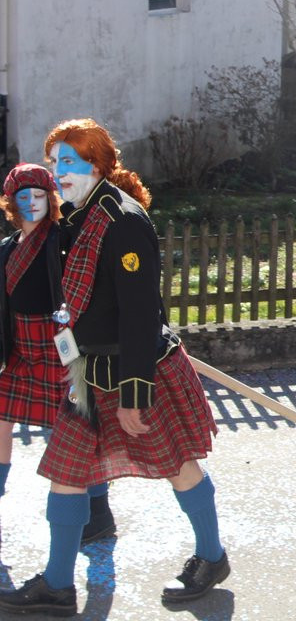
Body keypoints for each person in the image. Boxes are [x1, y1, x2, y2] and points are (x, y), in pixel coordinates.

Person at [0, 119, 227, 616]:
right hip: (86, 373)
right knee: (66, 472)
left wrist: (134, 394)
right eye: (56, 161)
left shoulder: (121, 219)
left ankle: (212, 556)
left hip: (136, 370)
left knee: (178, 465)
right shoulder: (73, 218)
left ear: (98, 164)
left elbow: (141, 313)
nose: (60, 172)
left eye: (71, 162)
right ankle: (59, 584)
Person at [0, 164, 116, 545]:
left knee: (76, 429)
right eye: (23, 198)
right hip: (19, 350)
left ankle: (98, 513)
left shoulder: (63, 240)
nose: (31, 204)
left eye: (38, 196)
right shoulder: (6, 249)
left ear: (50, 200)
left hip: (59, 349)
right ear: (11, 204)